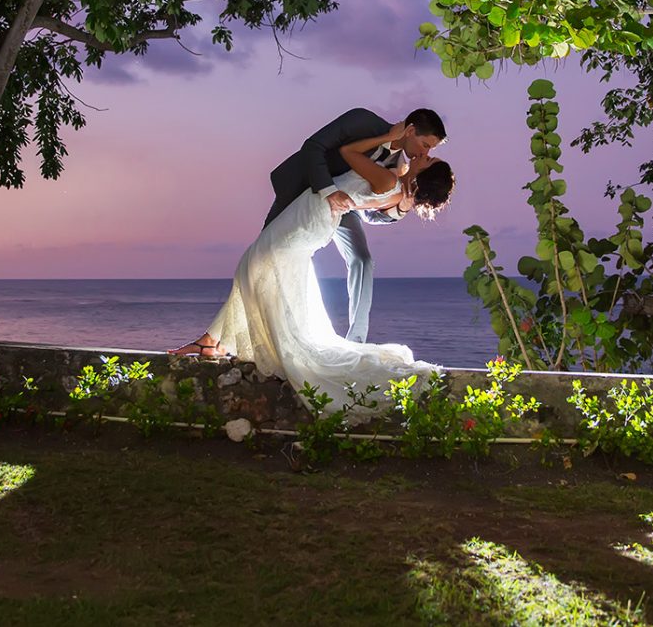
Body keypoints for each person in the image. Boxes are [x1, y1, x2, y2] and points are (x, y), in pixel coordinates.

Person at [169, 121, 455, 414]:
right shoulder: (396, 186)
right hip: (317, 215)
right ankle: (210, 341)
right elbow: (357, 200)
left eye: (430, 159)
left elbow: (348, 152)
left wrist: (385, 138)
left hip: (312, 215)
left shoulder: (390, 182)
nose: (426, 154)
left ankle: (211, 341)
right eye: (428, 149)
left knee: (254, 266)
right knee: (259, 268)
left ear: (423, 175)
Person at [265, 107, 447, 342]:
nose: (426, 152)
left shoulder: (399, 166)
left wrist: (402, 209)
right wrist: (330, 192)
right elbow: (313, 147)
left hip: (345, 209)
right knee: (265, 254)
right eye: (426, 145)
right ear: (410, 131)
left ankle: (357, 339)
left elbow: (370, 213)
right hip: (306, 190)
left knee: (363, 260)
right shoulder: (364, 121)